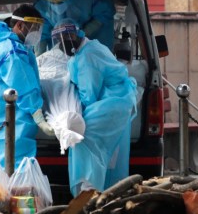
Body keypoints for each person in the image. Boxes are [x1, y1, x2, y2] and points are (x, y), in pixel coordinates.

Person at [51, 19, 138, 196]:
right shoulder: (87, 48)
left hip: (110, 103)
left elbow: (89, 95)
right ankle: (103, 190)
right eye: (59, 41)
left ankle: (90, 189)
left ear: (74, 36)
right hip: (115, 101)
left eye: (64, 40)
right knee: (103, 148)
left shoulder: (87, 57)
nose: (62, 45)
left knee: (85, 137)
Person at [0, 4, 56, 169]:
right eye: (34, 27)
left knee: (7, 167)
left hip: (4, 119)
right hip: (8, 120)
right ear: (20, 25)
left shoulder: (10, 46)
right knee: (15, 167)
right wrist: (37, 114)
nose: (37, 32)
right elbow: (22, 83)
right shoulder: (12, 50)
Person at [34, 0, 116, 53]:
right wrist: (39, 57)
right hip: (62, 45)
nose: (57, 7)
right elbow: (42, 33)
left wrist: (85, 32)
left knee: (97, 57)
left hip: (95, 36)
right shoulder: (41, 6)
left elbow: (105, 13)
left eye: (61, 1)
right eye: (53, 2)